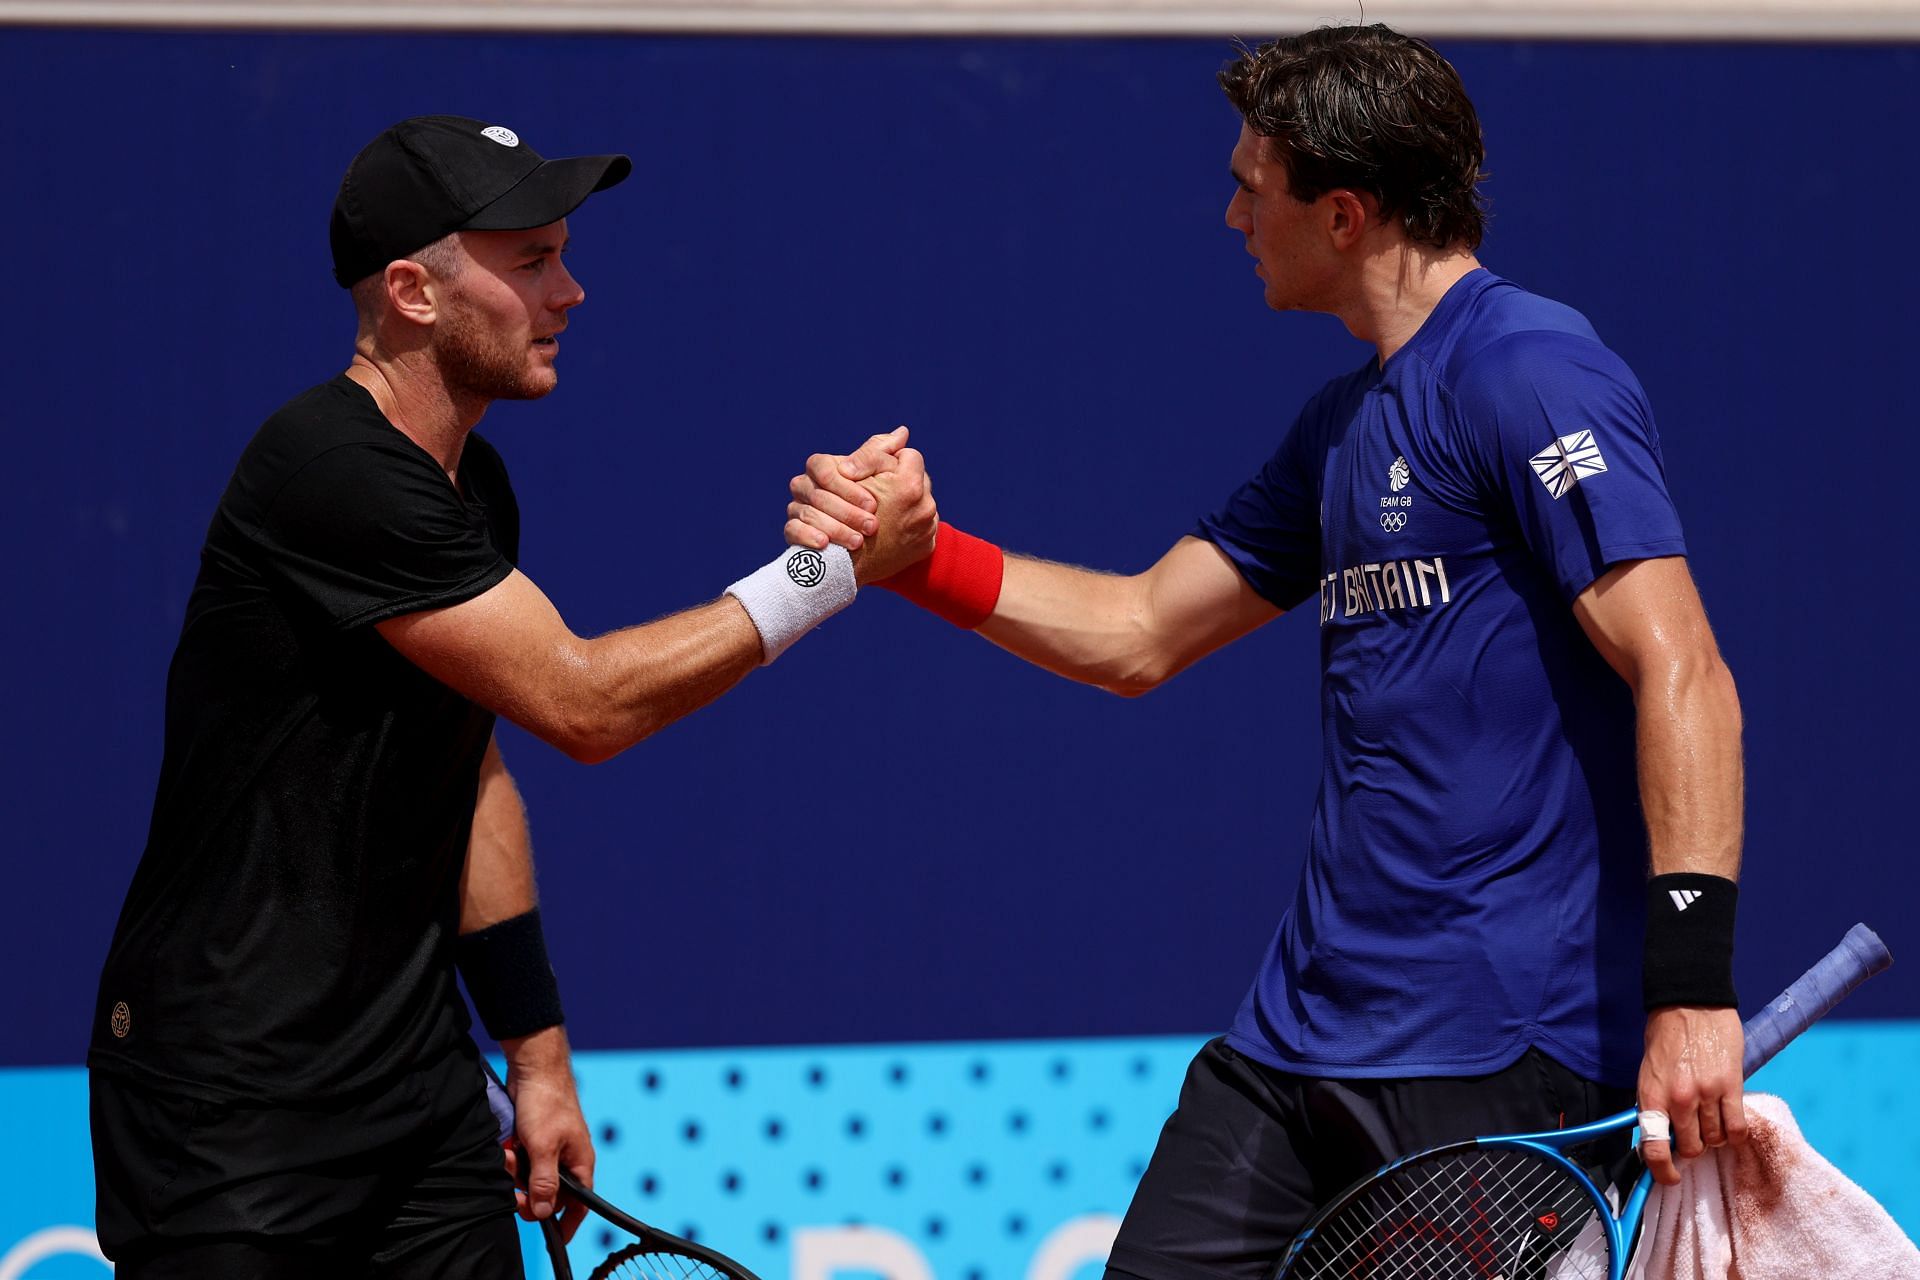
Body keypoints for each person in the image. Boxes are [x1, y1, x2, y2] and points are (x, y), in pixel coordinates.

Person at [790, 26, 1747, 1280]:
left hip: (1494, 1047)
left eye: (1253, 184)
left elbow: (1684, 670)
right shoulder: (1342, 426)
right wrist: (912, 555)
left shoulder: (1530, 368)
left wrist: (1690, 992)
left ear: (1343, 214)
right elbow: (1137, 630)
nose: (1232, 210)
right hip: (1297, 1038)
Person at [87, 114, 935, 1279]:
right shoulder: (329, 468)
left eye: (563, 255)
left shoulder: (469, 480)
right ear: (413, 293)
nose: (572, 291)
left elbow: (469, 766)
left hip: (414, 1091)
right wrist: (828, 570)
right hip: (230, 1106)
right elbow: (581, 704)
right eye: (532, 260)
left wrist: (536, 1053)